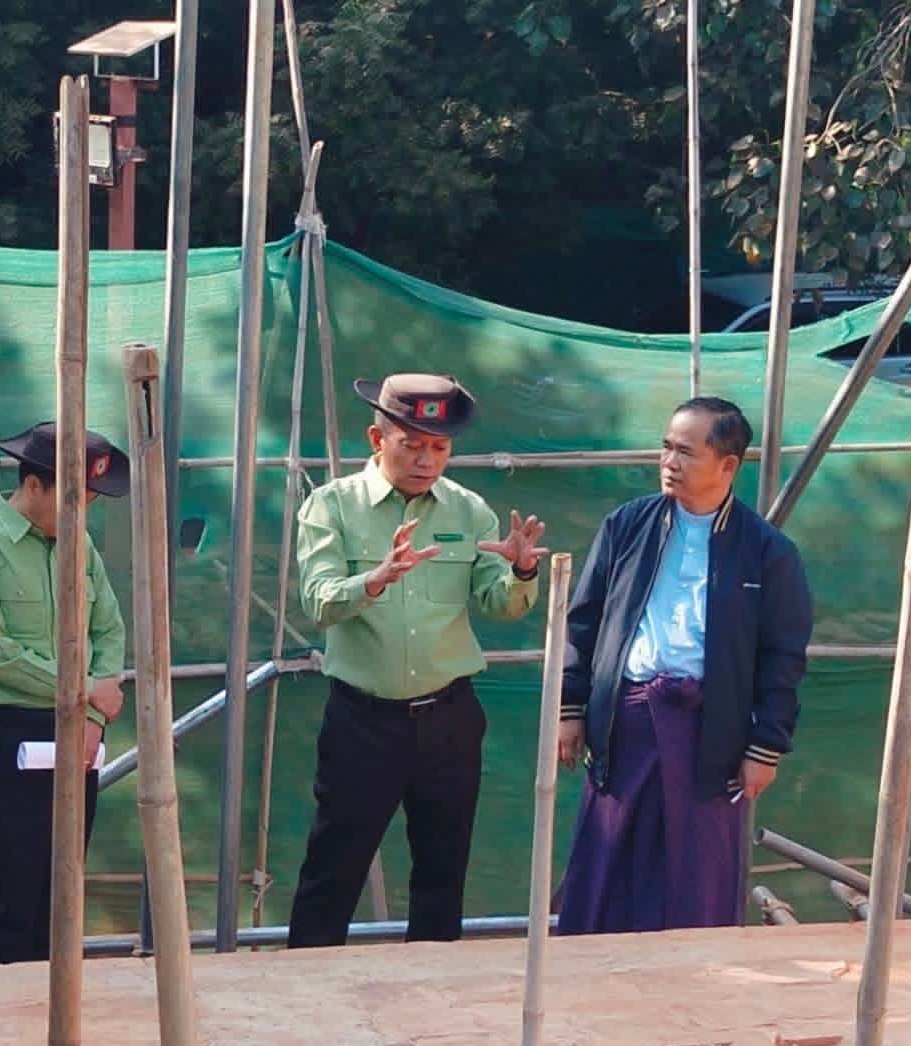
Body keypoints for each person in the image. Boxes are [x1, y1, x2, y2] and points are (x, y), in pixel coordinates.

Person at [287, 373, 548, 948]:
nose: (427, 460)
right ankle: (307, 983)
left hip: (448, 719)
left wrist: (522, 570)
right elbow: (319, 601)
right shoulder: (331, 506)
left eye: (440, 447)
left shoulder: (469, 510)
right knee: (333, 868)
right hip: (363, 720)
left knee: (442, 872)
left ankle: (435, 986)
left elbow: (500, 602)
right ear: (376, 439)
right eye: (411, 444)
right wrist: (375, 580)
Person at [555, 396, 814, 934]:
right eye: (666, 447)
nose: (670, 462)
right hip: (625, 723)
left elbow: (783, 658)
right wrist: (570, 708)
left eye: (686, 452)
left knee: (697, 874)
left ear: (727, 464)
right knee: (608, 863)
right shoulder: (626, 526)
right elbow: (583, 622)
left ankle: (694, 974)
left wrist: (765, 747)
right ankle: (595, 969)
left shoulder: (767, 551)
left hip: (710, 733)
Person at [0, 420, 129, 964]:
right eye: (78, 499)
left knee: (63, 890)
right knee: (20, 892)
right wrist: (85, 691)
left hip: (80, 732)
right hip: (14, 732)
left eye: (92, 501)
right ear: (33, 485)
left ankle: (56, 997)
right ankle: (3, 998)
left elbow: (109, 629)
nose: (84, 513)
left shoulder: (79, 545)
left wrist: (93, 717)